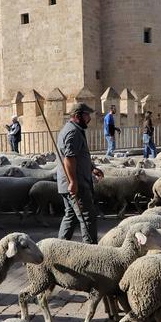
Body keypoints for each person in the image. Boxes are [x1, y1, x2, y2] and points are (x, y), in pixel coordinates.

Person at [55, 103, 103, 244]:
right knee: (87, 217)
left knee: (71, 215)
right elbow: (69, 158)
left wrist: (91, 168)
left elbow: (78, 155)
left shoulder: (73, 129)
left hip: (68, 182)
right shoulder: (73, 132)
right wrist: (73, 182)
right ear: (77, 116)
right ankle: (91, 252)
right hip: (76, 184)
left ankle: (59, 247)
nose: (89, 118)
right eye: (87, 115)